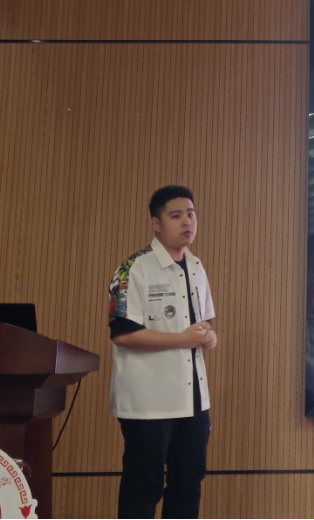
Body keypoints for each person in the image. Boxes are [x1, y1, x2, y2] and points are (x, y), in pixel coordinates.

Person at [108, 185, 218, 520]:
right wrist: (181, 339)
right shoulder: (133, 268)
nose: (187, 222)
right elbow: (123, 334)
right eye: (176, 215)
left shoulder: (196, 267)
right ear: (156, 224)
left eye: (191, 214)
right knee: (144, 486)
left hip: (193, 400)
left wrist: (208, 336)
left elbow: (201, 323)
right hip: (149, 402)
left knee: (188, 484)